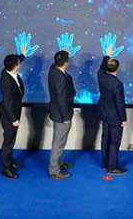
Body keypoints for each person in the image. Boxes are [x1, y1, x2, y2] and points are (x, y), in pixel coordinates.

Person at [97, 51, 127, 175]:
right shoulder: (117, 84)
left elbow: (101, 68)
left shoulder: (101, 76)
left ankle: (105, 164)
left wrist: (107, 55)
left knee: (105, 138)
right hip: (115, 117)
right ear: (117, 69)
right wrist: (123, 119)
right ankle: (113, 167)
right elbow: (120, 104)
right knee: (114, 142)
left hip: (104, 114)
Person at [47, 50, 76, 180]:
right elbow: (61, 98)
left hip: (56, 112)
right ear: (66, 63)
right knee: (58, 143)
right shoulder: (60, 77)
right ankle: (54, 170)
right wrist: (65, 117)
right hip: (61, 114)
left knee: (59, 142)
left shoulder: (53, 70)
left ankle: (58, 163)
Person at [0, 53, 25, 179]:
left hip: (15, 113)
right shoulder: (7, 80)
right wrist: (13, 119)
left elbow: (16, 61)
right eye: (18, 63)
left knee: (12, 139)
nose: (20, 64)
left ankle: (10, 161)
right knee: (8, 141)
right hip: (10, 116)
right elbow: (8, 102)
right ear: (15, 66)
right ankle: (6, 168)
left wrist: (23, 55)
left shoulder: (8, 71)